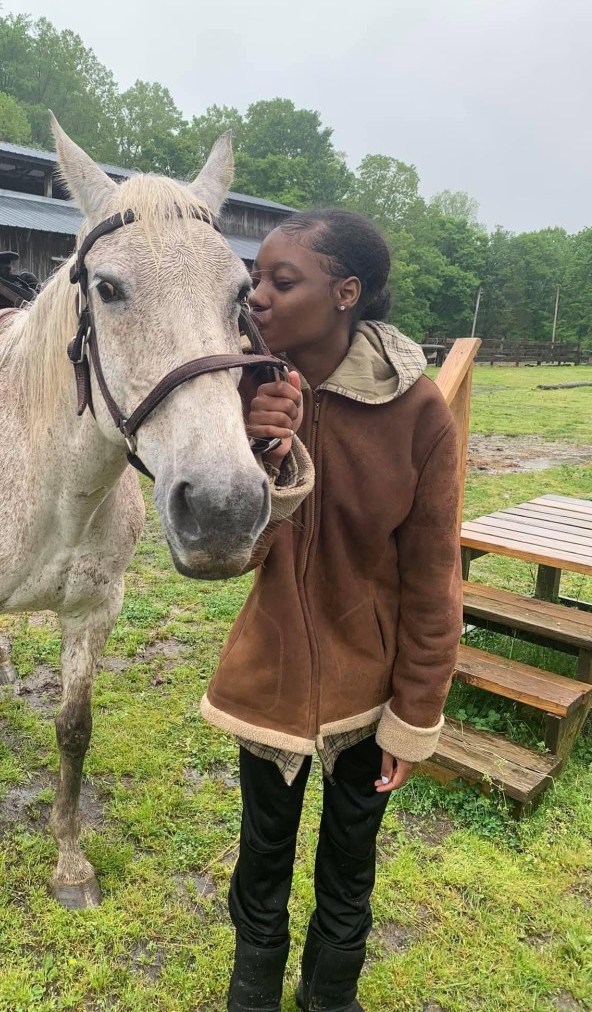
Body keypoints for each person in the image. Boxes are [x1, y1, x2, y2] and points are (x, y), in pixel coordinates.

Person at [200, 208, 463, 1012]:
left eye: (285, 280)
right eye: (257, 279)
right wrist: (260, 459)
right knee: (262, 854)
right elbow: (221, 562)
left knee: (351, 859)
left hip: (371, 693)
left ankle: (331, 995)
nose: (261, 295)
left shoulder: (420, 415)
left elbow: (432, 581)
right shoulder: (238, 393)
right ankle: (253, 991)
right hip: (268, 675)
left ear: (346, 292)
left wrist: (415, 716)